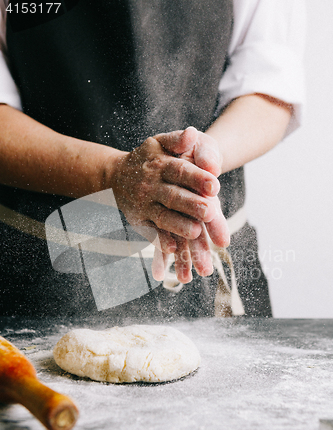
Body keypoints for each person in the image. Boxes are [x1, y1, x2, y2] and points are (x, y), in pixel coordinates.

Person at [0, 0, 306, 318]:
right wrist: (113, 175)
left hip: (207, 263)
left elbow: (269, 88)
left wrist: (196, 167)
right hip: (45, 272)